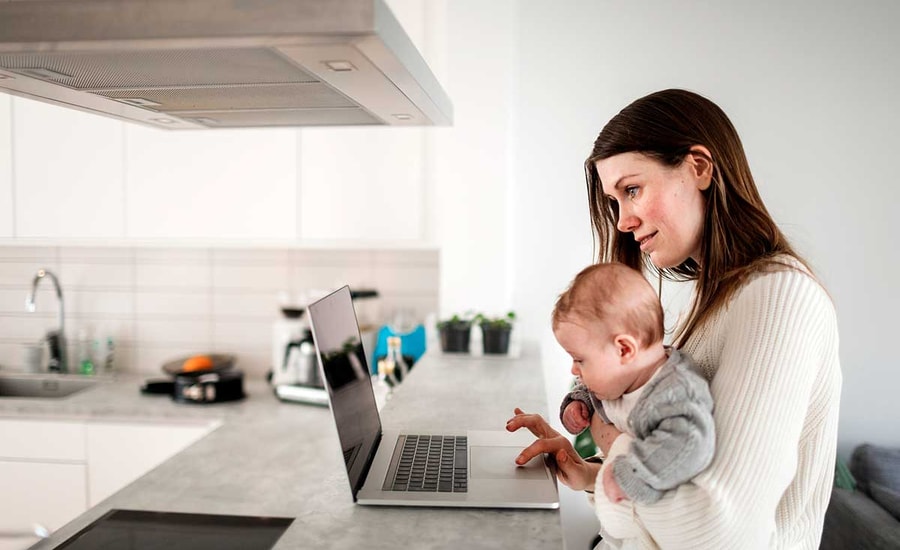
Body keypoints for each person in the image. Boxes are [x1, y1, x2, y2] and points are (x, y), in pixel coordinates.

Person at [506, 89, 841, 549]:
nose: (622, 220)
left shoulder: (780, 297)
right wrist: (588, 475)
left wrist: (608, 439)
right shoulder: (716, 299)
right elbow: (678, 472)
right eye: (614, 201)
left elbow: (718, 532)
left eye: (632, 189)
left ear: (699, 167)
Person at [553, 262, 714, 506]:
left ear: (624, 349)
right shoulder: (621, 376)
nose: (574, 369)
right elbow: (594, 390)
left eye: (579, 360)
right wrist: (579, 402)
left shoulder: (673, 394)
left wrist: (631, 477)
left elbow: (690, 443)